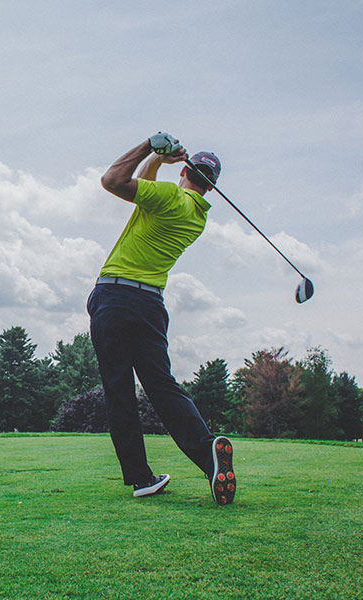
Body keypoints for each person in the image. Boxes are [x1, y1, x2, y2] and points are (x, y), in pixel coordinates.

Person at [87, 131, 236, 505]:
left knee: (119, 391)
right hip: (151, 306)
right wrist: (160, 161)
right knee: (163, 387)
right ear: (211, 188)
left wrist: (147, 146)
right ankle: (207, 456)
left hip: (116, 298)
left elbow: (113, 181)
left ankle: (141, 478)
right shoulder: (195, 215)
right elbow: (147, 188)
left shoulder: (170, 197)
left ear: (185, 171)